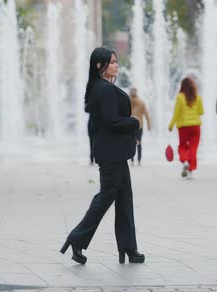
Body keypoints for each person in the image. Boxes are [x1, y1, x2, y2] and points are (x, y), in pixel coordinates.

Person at [60, 47, 145, 265]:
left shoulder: (101, 87)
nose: (117, 65)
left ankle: (128, 247)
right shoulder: (104, 89)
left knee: (124, 200)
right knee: (105, 197)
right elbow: (111, 121)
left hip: (114, 153)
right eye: (113, 62)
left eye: (117, 61)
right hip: (111, 154)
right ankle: (77, 238)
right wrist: (133, 123)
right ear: (100, 66)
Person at [168, 77, 204, 178]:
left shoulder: (180, 97)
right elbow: (201, 112)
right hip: (195, 126)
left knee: (182, 146)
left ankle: (185, 162)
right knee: (193, 148)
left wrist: (171, 125)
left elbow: (176, 113)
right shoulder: (197, 97)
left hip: (183, 127)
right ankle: (191, 170)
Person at [129, 87, 151, 166]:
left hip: (131, 126)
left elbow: (146, 114)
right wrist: (148, 125)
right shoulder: (140, 102)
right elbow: (147, 114)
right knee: (138, 142)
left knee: (132, 142)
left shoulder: (127, 101)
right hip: (138, 126)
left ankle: (134, 159)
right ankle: (138, 159)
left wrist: (149, 124)